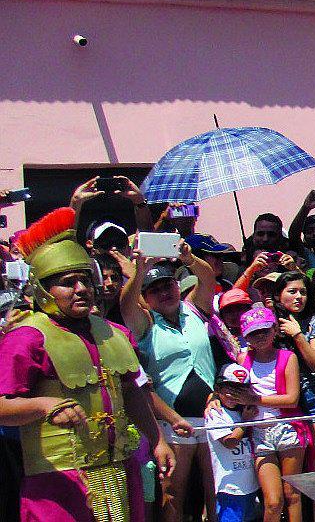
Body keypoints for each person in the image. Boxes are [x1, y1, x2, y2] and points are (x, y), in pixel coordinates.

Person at [0, 207, 173, 522]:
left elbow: (131, 392)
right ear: (42, 289)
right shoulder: (26, 338)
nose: (81, 288)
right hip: (57, 482)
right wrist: (44, 405)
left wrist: (157, 438)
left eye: (84, 279)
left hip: (119, 471)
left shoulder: (115, 333)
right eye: (68, 282)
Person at [120, 238, 221, 522]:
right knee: (172, 492)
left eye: (168, 285)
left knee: (215, 488)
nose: (164, 292)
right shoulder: (145, 323)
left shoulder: (194, 309)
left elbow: (207, 277)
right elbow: (125, 304)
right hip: (173, 422)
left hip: (210, 417)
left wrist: (189, 258)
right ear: (147, 297)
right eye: (155, 290)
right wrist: (140, 270)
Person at [232, 307, 306, 522]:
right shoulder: (243, 359)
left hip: (288, 428)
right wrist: (213, 401)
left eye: (265, 330)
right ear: (246, 336)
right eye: (254, 333)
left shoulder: (288, 357)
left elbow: (292, 399)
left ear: (275, 330)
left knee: (292, 494)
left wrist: (255, 400)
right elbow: (228, 388)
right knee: (273, 501)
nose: (261, 336)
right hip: (258, 431)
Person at [272, 270, 315, 469]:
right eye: (292, 292)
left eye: (303, 292)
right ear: (278, 295)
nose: (299, 297)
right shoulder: (269, 322)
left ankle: (314, 502)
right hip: (280, 398)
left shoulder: (314, 321)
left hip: (312, 395)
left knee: (312, 464)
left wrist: (297, 335)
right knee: (287, 466)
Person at [204, 364, 260, 522]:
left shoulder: (248, 409)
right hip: (229, 487)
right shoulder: (215, 413)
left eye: (240, 389)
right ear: (218, 388)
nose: (234, 395)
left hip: (251, 485)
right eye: (230, 388)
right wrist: (245, 422)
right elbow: (229, 442)